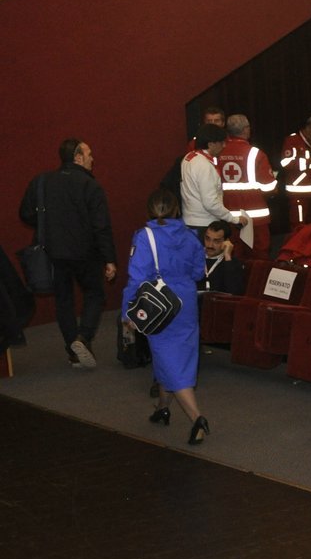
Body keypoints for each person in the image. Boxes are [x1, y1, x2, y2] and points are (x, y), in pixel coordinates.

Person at [19, 138, 117, 369]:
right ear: (78, 157)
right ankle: (83, 338)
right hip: (86, 252)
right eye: (89, 154)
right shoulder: (90, 186)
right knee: (94, 294)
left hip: (53, 252)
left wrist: (45, 224)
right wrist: (109, 259)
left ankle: (73, 351)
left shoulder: (41, 182)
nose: (93, 159)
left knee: (64, 301)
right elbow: (101, 226)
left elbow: (25, 213)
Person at [122, 188, 209, 443]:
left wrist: (128, 312)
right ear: (176, 210)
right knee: (174, 357)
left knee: (170, 360)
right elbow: (197, 273)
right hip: (186, 302)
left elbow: (137, 278)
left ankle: (197, 419)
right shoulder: (192, 236)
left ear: (150, 210)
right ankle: (162, 408)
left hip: (157, 306)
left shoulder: (144, 237)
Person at [217, 114, 276, 258]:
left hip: (227, 215)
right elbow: (268, 187)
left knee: (232, 255)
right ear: (246, 130)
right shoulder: (255, 154)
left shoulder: (218, 152)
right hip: (255, 217)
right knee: (259, 257)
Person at [180, 124, 245, 240]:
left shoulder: (189, 158)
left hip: (189, 221)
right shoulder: (205, 165)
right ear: (211, 144)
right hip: (204, 224)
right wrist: (234, 219)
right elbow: (210, 203)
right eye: (221, 142)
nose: (224, 146)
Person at [280, 115, 311, 226]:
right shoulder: (292, 141)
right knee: (298, 226)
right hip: (298, 192)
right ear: (307, 128)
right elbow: (284, 163)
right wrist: (309, 161)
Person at [197, 220, 247, 296]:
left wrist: (227, 256)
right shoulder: (194, 258)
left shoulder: (233, 263)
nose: (210, 245)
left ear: (226, 242)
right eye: (207, 239)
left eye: (216, 241)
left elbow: (235, 292)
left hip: (219, 305)